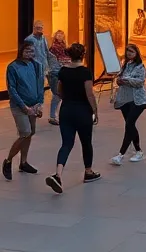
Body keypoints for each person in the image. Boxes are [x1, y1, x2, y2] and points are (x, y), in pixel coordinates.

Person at [46, 42, 99, 193]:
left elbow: (59, 91)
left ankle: (58, 174)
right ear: (83, 55)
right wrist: (95, 111)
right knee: (86, 142)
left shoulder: (63, 71)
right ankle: (88, 172)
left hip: (66, 110)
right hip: (82, 111)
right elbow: (89, 93)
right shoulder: (85, 72)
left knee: (66, 143)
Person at [2, 41, 43, 181]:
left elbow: (40, 84)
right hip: (19, 106)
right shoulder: (13, 67)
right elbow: (12, 89)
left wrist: (39, 103)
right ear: (21, 51)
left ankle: (23, 162)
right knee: (25, 132)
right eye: (27, 51)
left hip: (33, 105)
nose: (29, 54)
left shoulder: (36, 65)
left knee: (30, 133)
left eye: (31, 51)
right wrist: (23, 106)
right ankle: (8, 160)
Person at [110, 43, 146, 165]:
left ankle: (121, 154)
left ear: (136, 53)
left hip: (138, 100)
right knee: (130, 126)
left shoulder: (140, 66)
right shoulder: (125, 65)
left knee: (129, 124)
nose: (129, 54)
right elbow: (120, 77)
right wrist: (120, 80)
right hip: (124, 99)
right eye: (127, 52)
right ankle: (138, 151)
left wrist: (126, 80)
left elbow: (140, 82)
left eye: (131, 52)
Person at [24, 20, 51, 113]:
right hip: (34, 65)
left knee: (41, 85)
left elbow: (46, 51)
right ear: (34, 28)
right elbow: (27, 54)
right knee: (36, 85)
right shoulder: (29, 39)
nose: (40, 30)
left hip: (43, 64)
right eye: (38, 28)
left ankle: (39, 104)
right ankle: (35, 104)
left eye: (41, 28)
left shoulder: (43, 38)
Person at [47, 30, 70, 125]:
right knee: (57, 95)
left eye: (61, 34)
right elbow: (58, 60)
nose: (60, 36)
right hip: (55, 73)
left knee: (60, 95)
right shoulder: (54, 48)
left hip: (61, 72)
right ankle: (52, 116)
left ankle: (55, 115)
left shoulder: (64, 46)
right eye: (58, 34)